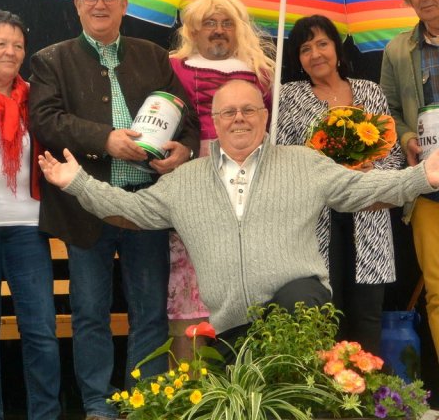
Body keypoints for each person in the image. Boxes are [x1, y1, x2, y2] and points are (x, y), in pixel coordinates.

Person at [37, 79, 439, 363]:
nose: (239, 118)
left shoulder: (305, 164)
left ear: (265, 117)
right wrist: (78, 183)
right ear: (214, 121)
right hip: (233, 328)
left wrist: (423, 176)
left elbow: (363, 190)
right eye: (228, 112)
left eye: (249, 109)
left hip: (300, 314)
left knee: (295, 303)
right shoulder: (185, 181)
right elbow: (132, 211)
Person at [28, 0, 200, 420]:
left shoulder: (152, 57)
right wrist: (105, 138)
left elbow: (189, 120)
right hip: (86, 208)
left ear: (125, 5)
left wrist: (184, 149)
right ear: (77, 5)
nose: (100, 5)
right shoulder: (51, 60)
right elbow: (45, 121)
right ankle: (98, 406)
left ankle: (144, 404)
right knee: (89, 314)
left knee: (149, 314)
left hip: (146, 205)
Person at [276, 14, 404, 355]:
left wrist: (367, 173)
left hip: (369, 211)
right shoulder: (288, 95)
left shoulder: (368, 90)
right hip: (316, 217)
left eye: (322, 43)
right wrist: (323, 171)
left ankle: (367, 398)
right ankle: (326, 400)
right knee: (322, 312)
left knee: (367, 313)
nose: (316, 54)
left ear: (336, 47)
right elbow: (282, 156)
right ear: (298, 58)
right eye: (305, 48)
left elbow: (392, 157)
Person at [0, 10, 61, 420]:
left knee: (41, 332)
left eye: (18, 45)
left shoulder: (37, 97)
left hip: (28, 228)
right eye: (1, 43)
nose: (11, 51)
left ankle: (46, 414)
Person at [167, 0, 275, 360]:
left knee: (249, 276)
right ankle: (186, 391)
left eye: (226, 23)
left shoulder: (262, 73)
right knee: (189, 282)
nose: (218, 30)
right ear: (193, 31)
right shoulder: (173, 68)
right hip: (194, 182)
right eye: (208, 23)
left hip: (251, 181)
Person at [380, 0, 439, 361]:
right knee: (436, 288)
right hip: (427, 184)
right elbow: (388, 111)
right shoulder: (398, 50)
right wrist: (405, 138)